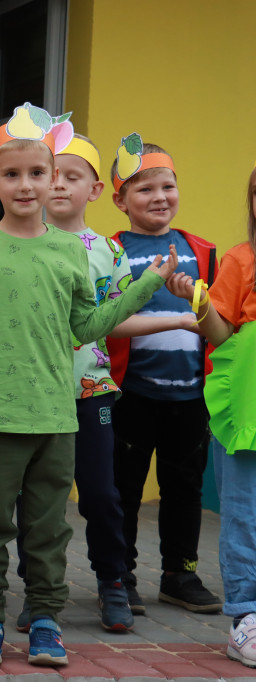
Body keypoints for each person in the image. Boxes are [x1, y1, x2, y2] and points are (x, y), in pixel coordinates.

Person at [0, 103, 175, 667]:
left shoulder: (72, 250)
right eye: (12, 174)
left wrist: (144, 288)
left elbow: (85, 329)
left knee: (47, 530)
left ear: (53, 180)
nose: (26, 184)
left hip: (56, 415)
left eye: (37, 173)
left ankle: (45, 619)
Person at [105, 134, 222, 615]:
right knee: (124, 491)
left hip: (191, 395)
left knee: (185, 488)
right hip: (129, 393)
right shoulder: (108, 251)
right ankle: (121, 575)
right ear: (120, 200)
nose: (159, 197)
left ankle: (180, 573)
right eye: (144, 189)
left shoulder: (202, 251)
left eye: (167, 187)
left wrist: (197, 294)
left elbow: (219, 319)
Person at [165, 164, 256, 668]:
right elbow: (221, 335)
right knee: (244, 513)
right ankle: (246, 616)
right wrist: (198, 303)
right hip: (247, 402)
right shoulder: (242, 260)